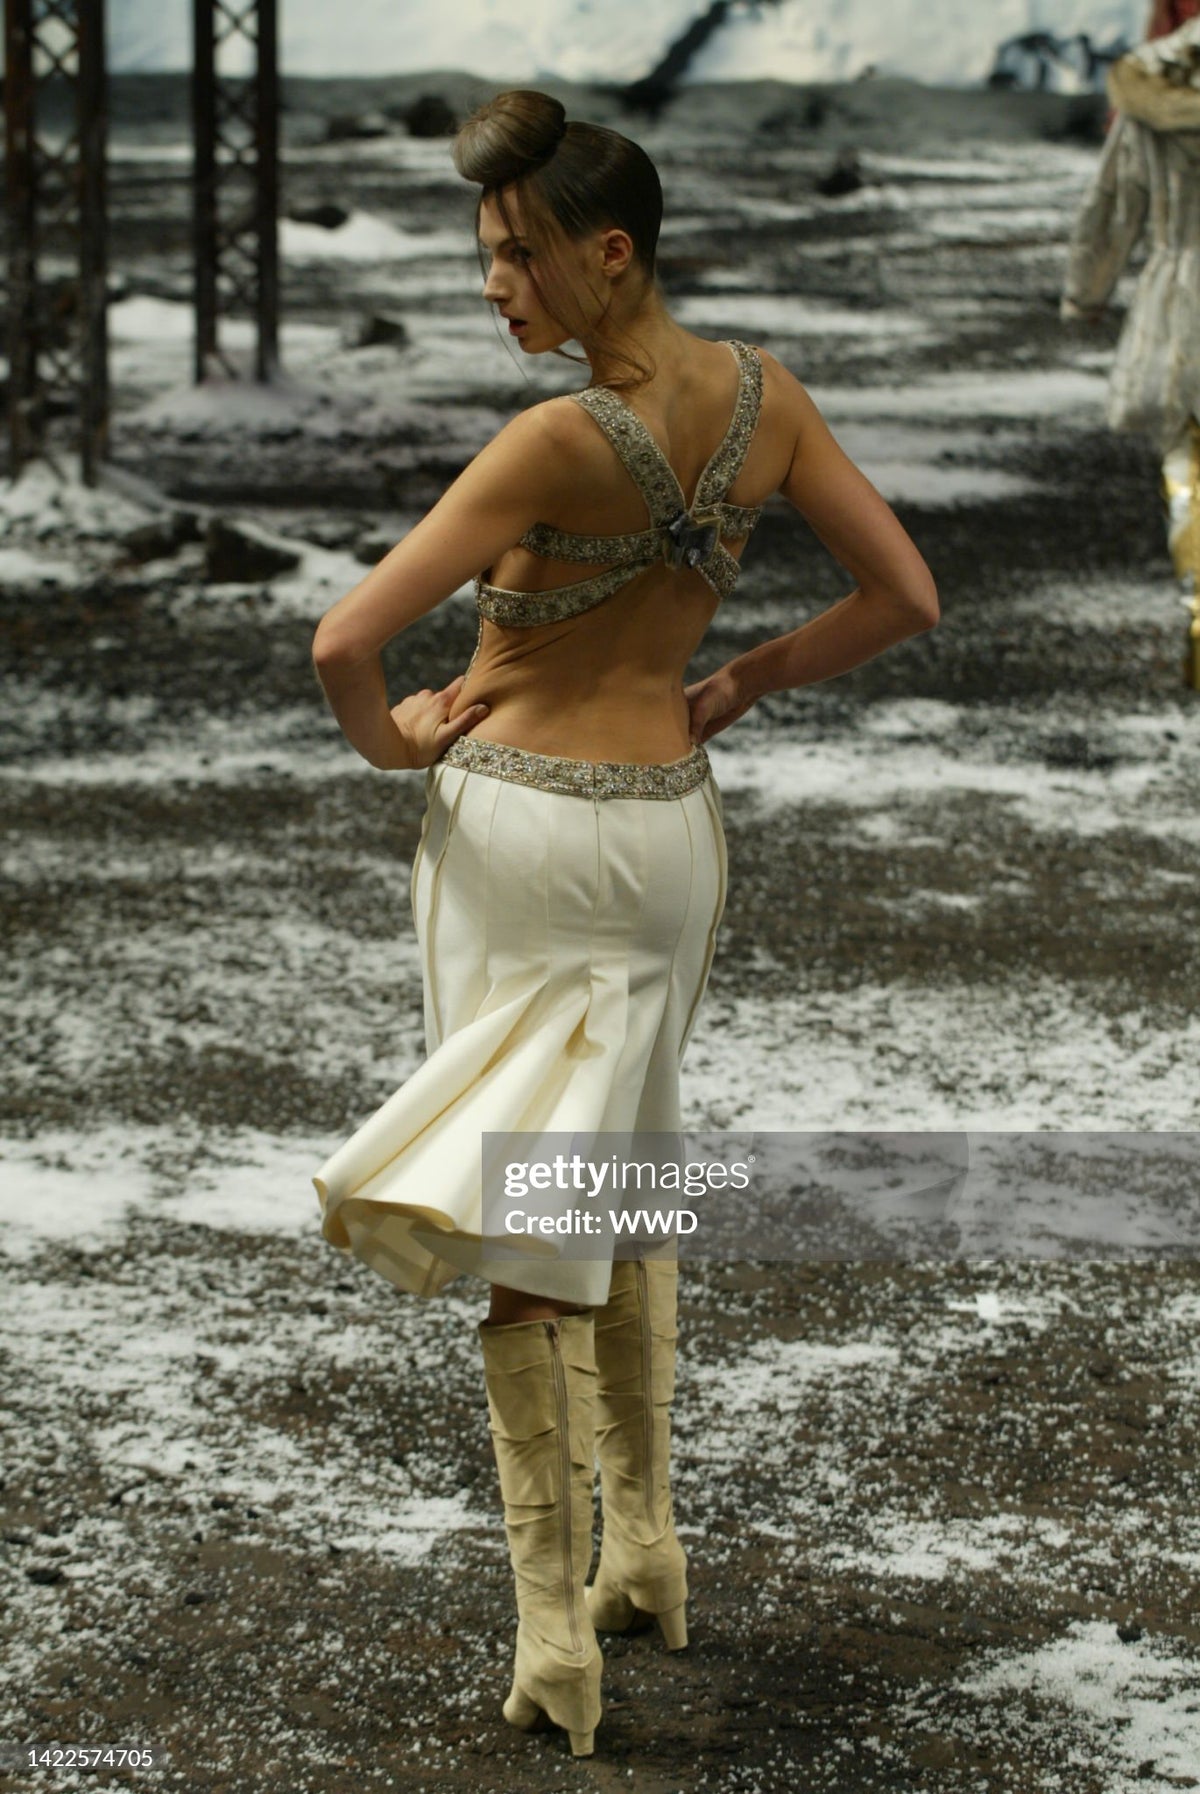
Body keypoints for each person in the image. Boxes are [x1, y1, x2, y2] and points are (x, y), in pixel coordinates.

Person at [309, 88, 938, 1758]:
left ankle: (549, 1634)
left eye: (518, 258)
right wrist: (731, 676)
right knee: (630, 1169)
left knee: (527, 1204)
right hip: (672, 836)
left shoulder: (550, 441)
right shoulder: (767, 399)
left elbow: (344, 644)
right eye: (484, 256)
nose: (496, 287)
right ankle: (646, 1547)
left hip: (523, 838)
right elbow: (906, 595)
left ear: (610, 254)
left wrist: (399, 737)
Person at [1062, 17, 1200, 684]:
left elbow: (1114, 204)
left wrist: (1084, 293)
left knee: (1184, 452)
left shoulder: (1149, 79)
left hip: (1179, 304)